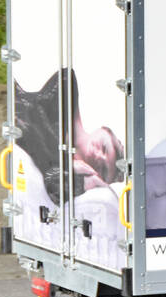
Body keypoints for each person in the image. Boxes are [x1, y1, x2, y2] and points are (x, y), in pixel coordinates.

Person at [15, 68, 125, 206]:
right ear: (102, 130)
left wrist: (79, 180)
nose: (98, 156)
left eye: (103, 168)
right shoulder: (66, 88)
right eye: (104, 148)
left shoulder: (64, 173)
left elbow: (54, 189)